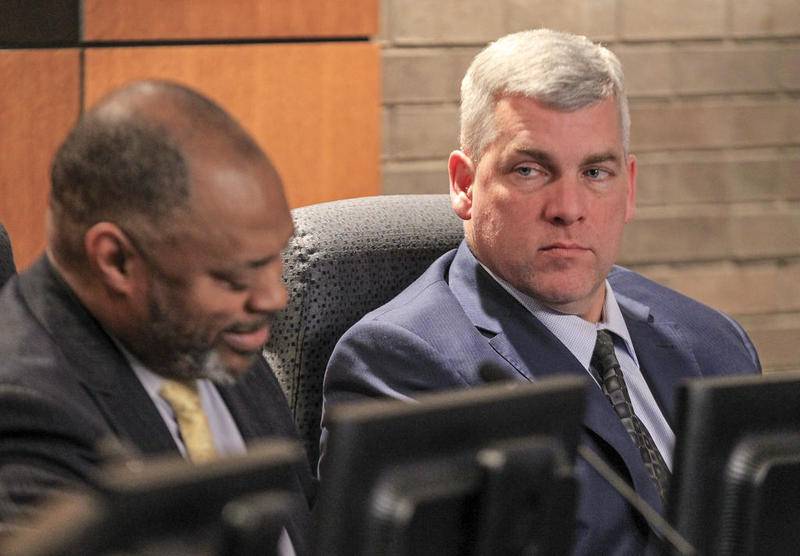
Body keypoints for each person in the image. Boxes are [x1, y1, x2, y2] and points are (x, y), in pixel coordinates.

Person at [321, 29, 761, 554]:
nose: (568, 208)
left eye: (596, 172)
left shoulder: (713, 339)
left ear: (630, 188)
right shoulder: (401, 364)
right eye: (530, 170)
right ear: (464, 184)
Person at [0, 80, 313, 552]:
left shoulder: (209, 339)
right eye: (234, 277)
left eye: (276, 259)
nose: (274, 297)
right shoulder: (22, 409)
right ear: (117, 261)